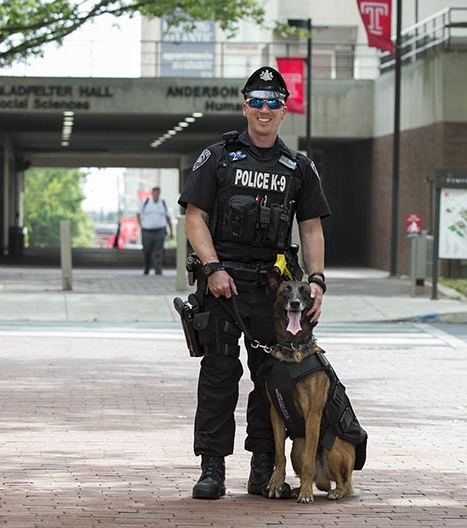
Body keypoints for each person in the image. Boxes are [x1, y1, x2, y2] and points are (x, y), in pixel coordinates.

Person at [178, 66, 331, 500]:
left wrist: (316, 280)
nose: (264, 111)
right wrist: (213, 268)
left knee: (272, 379)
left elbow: (312, 228)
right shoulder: (220, 156)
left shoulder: (298, 167)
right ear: (246, 107)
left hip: (275, 292)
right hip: (223, 287)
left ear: (285, 111)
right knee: (219, 373)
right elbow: (194, 217)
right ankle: (212, 468)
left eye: (273, 104)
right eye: (257, 103)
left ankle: (265, 467)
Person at [137, 186, 174, 275]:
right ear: (152, 193)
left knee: (159, 251)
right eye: (155, 192)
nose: (156, 194)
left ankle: (158, 270)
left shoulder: (163, 203)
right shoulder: (146, 202)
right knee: (147, 250)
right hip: (147, 231)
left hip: (159, 231)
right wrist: (141, 225)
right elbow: (138, 214)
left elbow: (168, 217)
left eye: (158, 192)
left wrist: (171, 231)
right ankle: (147, 268)